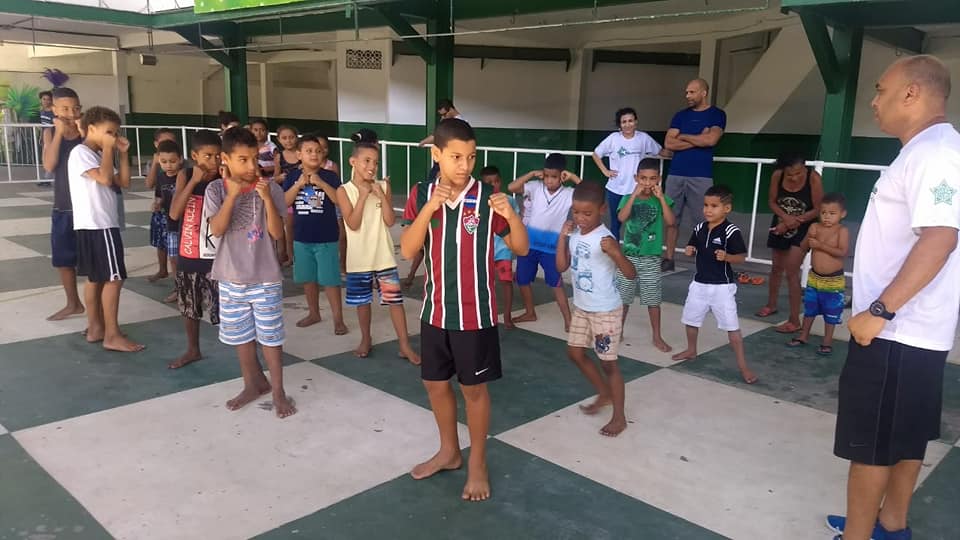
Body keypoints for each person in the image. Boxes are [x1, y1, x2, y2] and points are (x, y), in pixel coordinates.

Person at [826, 55, 959, 540]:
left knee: (873, 447)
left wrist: (879, 312)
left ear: (912, 93)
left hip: (897, 330)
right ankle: (891, 525)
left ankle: (858, 536)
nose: (874, 101)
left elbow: (941, 237)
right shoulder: (926, 151)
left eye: (881, 90)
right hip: (914, 330)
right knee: (904, 437)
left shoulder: (935, 154)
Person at [400, 118, 528, 502]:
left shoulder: (488, 199)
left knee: (473, 390)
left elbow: (520, 247)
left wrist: (512, 214)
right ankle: (449, 451)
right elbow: (408, 250)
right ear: (437, 155)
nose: (464, 165)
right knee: (435, 384)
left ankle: (477, 463)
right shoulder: (425, 194)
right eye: (455, 157)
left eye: (470, 157)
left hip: (475, 315)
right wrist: (429, 208)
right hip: (435, 312)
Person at [204, 127, 296, 418]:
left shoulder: (272, 189)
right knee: (240, 336)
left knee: (270, 337)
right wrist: (231, 197)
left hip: (265, 276)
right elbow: (216, 229)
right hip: (230, 276)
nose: (250, 167)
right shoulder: (215, 190)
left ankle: (278, 390)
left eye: (254, 159)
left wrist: (267, 198)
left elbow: (276, 233)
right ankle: (252, 383)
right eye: (242, 159)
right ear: (225, 159)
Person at [557, 181, 636, 436]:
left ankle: (620, 417)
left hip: (605, 312)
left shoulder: (606, 238)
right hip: (582, 308)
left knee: (609, 365)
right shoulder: (576, 233)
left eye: (587, 213)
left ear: (602, 209)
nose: (580, 218)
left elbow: (630, 274)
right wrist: (562, 237)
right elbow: (560, 267)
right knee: (575, 353)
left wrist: (616, 253)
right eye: (576, 212)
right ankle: (603, 393)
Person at [337, 129, 419, 363]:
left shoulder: (382, 186)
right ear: (353, 162)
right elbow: (351, 224)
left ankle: (404, 345)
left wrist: (380, 194)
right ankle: (366, 338)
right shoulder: (344, 191)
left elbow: (390, 220)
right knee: (363, 303)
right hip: (359, 259)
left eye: (375, 162)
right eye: (366, 161)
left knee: (395, 301)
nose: (371, 167)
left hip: (383, 256)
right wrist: (363, 196)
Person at [68, 106, 143, 352]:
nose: (113, 136)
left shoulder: (99, 154)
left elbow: (123, 181)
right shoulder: (80, 152)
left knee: (98, 278)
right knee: (114, 278)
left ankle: (96, 328)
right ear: (91, 129)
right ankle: (111, 334)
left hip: (98, 224)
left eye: (116, 132)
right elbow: (104, 179)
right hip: (98, 224)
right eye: (109, 132)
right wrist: (110, 148)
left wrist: (122, 154)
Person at [671, 185, 756, 384]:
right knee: (691, 320)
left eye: (714, 206)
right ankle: (692, 350)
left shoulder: (731, 231)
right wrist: (690, 249)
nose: (708, 210)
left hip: (722, 287)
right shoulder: (699, 228)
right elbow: (693, 244)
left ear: (726, 208)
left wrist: (727, 257)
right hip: (699, 283)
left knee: (732, 327)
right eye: (706, 205)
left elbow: (741, 257)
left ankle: (743, 366)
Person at [167, 130, 222, 370]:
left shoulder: (224, 178)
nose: (214, 161)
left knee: (228, 306)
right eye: (208, 156)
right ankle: (193, 349)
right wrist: (193, 182)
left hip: (219, 255)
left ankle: (245, 350)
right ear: (194, 155)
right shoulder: (185, 175)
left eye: (218, 156)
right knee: (189, 305)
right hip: (190, 250)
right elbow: (174, 213)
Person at [508, 153, 581, 331]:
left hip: (552, 248)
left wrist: (573, 177)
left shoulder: (569, 194)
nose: (549, 181)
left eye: (554, 177)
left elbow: (588, 192)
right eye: (546, 176)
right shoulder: (534, 187)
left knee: (556, 283)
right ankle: (530, 312)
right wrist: (532, 173)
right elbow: (512, 186)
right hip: (529, 244)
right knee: (523, 279)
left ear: (562, 176)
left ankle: (568, 319)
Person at [283, 135, 348, 334]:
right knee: (308, 278)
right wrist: (298, 185)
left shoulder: (330, 177)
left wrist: (321, 183)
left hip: (326, 237)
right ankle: (314, 313)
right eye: (309, 151)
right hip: (302, 238)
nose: (314, 154)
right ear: (298, 155)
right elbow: (285, 202)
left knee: (330, 280)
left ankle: (338, 319)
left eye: (318, 151)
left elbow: (339, 200)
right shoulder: (292, 177)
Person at [663, 79, 727, 272]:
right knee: (671, 218)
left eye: (692, 92)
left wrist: (683, 136)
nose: (688, 96)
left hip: (701, 175)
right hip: (676, 174)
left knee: (705, 219)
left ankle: (706, 259)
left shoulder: (717, 114)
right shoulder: (680, 116)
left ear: (704, 92)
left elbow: (712, 139)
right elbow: (669, 144)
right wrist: (697, 139)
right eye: (687, 92)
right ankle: (668, 258)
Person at [755, 151, 823, 333]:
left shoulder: (813, 178)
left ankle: (794, 320)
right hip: (780, 221)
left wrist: (795, 221)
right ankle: (771, 304)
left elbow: (817, 209)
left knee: (792, 270)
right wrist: (785, 219)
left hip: (804, 226)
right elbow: (772, 201)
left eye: (798, 173)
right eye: (790, 174)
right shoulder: (777, 176)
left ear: (805, 168)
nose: (794, 178)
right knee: (776, 267)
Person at [616, 158, 675, 352]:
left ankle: (657, 336)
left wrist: (661, 199)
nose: (647, 183)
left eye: (652, 179)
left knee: (653, 299)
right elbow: (621, 218)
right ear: (636, 178)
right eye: (643, 178)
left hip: (651, 257)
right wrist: (633, 195)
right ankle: (618, 331)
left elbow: (671, 222)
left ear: (658, 179)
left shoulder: (661, 200)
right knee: (623, 299)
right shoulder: (627, 198)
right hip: (629, 257)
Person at [591, 107, 669, 239]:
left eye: (630, 121)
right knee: (615, 224)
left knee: (638, 223)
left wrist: (680, 153)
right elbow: (596, 154)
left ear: (636, 122)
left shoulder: (643, 138)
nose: (627, 124)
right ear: (620, 125)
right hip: (616, 188)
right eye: (624, 122)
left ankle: (635, 255)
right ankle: (614, 255)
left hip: (639, 188)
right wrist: (605, 171)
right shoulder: (613, 138)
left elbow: (660, 151)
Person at [786, 192, 848, 355]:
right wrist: (809, 238)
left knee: (831, 312)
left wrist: (820, 245)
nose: (827, 217)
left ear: (842, 214)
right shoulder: (815, 227)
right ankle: (803, 335)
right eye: (823, 213)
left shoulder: (842, 231)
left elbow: (842, 252)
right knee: (810, 308)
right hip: (814, 277)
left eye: (832, 214)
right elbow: (803, 246)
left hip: (833, 280)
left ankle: (827, 341)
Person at [42, 87, 84, 321]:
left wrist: (82, 132)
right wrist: (58, 134)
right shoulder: (50, 133)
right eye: (65, 108)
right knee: (63, 260)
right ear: (54, 110)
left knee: (90, 261)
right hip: (63, 206)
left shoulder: (86, 132)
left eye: (75, 108)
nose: (71, 113)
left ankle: (96, 310)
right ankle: (73, 303)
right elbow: (49, 165)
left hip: (86, 209)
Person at [479, 165, 520, 328]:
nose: (494, 185)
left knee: (506, 281)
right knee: (482, 282)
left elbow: (514, 221)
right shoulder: (479, 200)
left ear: (500, 182)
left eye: (496, 181)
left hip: (504, 248)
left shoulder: (509, 200)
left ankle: (507, 315)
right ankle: (483, 312)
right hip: (484, 249)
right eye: (489, 182)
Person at [145, 131, 181, 283]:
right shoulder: (160, 172)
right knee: (161, 243)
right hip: (164, 214)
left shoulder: (184, 172)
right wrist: (157, 203)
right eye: (164, 161)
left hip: (179, 218)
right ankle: (164, 272)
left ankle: (180, 286)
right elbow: (153, 187)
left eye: (171, 141)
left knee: (176, 255)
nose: (168, 165)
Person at [274, 124, 301, 266]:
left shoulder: (302, 154)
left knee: (302, 225)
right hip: (286, 195)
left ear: (297, 138)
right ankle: (290, 256)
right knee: (289, 227)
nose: (288, 141)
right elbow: (275, 177)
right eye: (284, 138)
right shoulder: (279, 157)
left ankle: (302, 255)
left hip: (303, 195)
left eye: (291, 137)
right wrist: (279, 178)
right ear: (279, 140)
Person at [37, 90, 55, 187]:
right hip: (45, 136)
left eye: (48, 99)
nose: (46, 101)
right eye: (44, 99)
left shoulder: (54, 111)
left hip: (53, 137)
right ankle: (46, 178)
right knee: (45, 157)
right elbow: (42, 125)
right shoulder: (42, 111)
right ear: (41, 100)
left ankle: (47, 179)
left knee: (51, 157)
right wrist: (41, 136)